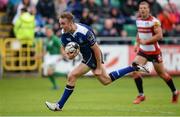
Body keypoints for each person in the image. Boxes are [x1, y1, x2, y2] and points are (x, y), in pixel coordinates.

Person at [45, 12, 149, 111]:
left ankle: (59, 105)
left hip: (94, 56)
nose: (61, 26)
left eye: (63, 24)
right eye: (60, 23)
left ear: (71, 23)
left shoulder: (84, 32)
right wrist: (68, 56)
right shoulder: (65, 32)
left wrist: (99, 67)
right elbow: (63, 48)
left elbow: (96, 49)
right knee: (106, 80)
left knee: (72, 76)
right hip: (86, 57)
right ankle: (134, 67)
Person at [131, 1, 179, 104]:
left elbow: (160, 36)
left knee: (163, 75)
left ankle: (175, 92)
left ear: (149, 9)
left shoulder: (154, 21)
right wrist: (136, 44)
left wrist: (146, 41)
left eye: (144, 8)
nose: (142, 10)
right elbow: (139, 33)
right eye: (141, 8)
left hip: (154, 52)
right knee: (134, 69)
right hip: (143, 51)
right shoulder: (138, 20)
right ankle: (141, 95)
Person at [43, 25, 62, 90]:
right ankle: (56, 85)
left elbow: (61, 47)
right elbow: (46, 51)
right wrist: (39, 55)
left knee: (49, 72)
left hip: (56, 56)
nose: (47, 33)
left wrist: (61, 56)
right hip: (50, 57)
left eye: (48, 31)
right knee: (49, 73)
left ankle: (56, 86)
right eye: (46, 32)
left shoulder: (55, 39)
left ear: (51, 31)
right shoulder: (47, 40)